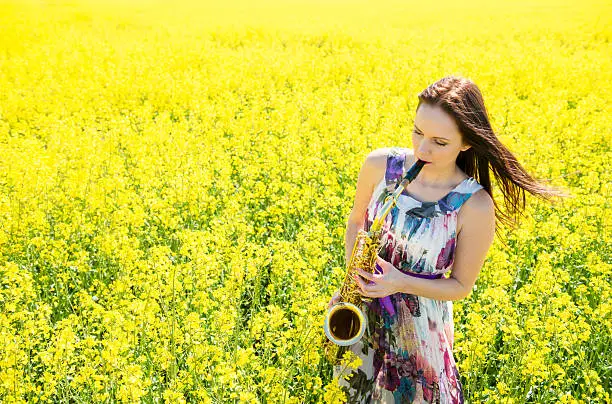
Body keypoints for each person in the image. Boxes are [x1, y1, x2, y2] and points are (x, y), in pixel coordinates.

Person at [326, 75, 566, 403]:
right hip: (360, 315)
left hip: (419, 334)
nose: (422, 149)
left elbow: (460, 286)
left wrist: (399, 282)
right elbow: (356, 222)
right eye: (418, 132)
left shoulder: (474, 205)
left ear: (466, 143)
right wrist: (354, 270)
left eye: (439, 142)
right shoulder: (378, 166)